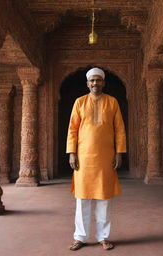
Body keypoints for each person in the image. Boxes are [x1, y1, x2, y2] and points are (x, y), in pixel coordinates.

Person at [66, 67, 126, 250]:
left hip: (105, 158)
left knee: (104, 199)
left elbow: (120, 130)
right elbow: (72, 129)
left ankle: (103, 237)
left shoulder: (112, 102)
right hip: (83, 159)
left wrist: (119, 153)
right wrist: (72, 153)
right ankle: (80, 237)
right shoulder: (80, 102)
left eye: (98, 80)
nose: (95, 83)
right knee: (82, 199)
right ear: (87, 83)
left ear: (103, 82)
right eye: (92, 80)